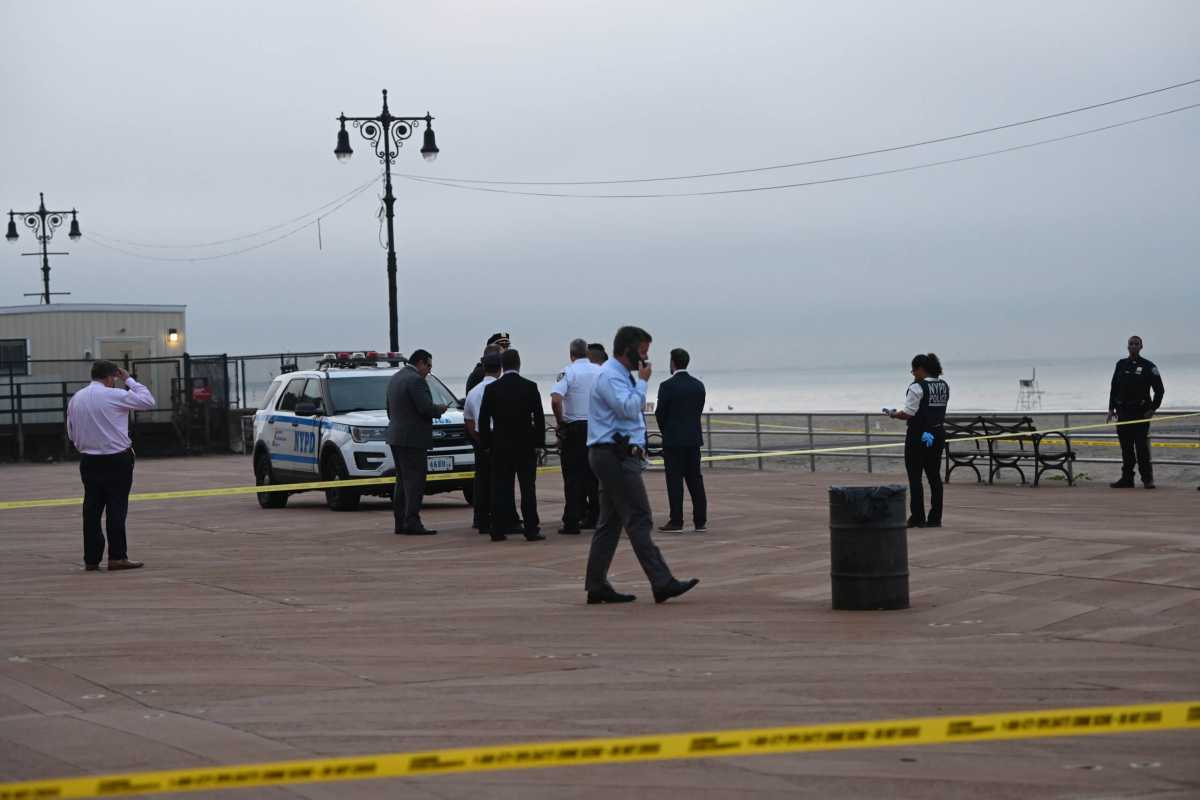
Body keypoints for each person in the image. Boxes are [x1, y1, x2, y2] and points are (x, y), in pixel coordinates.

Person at [585, 325, 699, 605]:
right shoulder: (611, 376)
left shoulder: (619, 375)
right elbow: (627, 408)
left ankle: (596, 584)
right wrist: (644, 382)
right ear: (628, 350)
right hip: (615, 455)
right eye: (643, 352)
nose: (646, 360)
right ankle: (661, 581)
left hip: (615, 454)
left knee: (610, 522)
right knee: (639, 517)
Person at [66, 360, 157, 571]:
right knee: (116, 508)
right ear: (111, 377)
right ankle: (117, 557)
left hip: (89, 459)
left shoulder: (76, 398)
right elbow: (148, 401)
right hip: (117, 459)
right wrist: (129, 379)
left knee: (91, 510)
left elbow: (71, 432)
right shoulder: (114, 395)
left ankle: (91, 558)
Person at [479, 349, 545, 542]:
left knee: (500, 488)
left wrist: (487, 444)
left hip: (500, 445)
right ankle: (531, 528)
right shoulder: (530, 387)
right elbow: (539, 418)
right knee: (527, 489)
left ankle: (498, 529)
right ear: (519, 364)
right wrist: (538, 443)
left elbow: (483, 419)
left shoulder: (492, 389)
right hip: (525, 445)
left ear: (502, 365)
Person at [386, 349, 448, 535]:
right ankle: (412, 521)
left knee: (402, 481)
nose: (429, 370)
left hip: (396, 437)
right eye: (428, 366)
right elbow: (426, 408)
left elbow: (389, 409)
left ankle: (400, 521)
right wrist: (440, 409)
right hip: (413, 440)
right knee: (414, 482)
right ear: (420, 363)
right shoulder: (416, 380)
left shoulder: (396, 378)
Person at [886, 353, 949, 529]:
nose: (913, 374)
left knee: (915, 477)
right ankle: (935, 518)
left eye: (914, 370)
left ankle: (917, 517)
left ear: (921, 369)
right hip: (936, 434)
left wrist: (894, 414)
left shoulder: (917, 387)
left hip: (918, 435)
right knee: (934, 476)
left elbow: (909, 413)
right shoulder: (943, 386)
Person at [551, 338, 601, 534]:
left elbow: (556, 400)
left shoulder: (568, 372)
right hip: (597, 428)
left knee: (572, 477)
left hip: (575, 429)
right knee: (595, 476)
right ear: (587, 353)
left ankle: (572, 521)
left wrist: (561, 421)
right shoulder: (599, 371)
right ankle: (596, 517)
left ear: (571, 354)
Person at [655, 348, 708, 533]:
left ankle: (676, 520)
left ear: (673, 363)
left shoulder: (666, 386)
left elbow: (660, 413)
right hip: (693, 439)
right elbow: (698, 411)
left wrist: (667, 431)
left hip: (673, 441)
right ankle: (700, 520)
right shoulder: (698, 385)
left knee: (674, 481)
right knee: (695, 480)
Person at [1107, 335, 1164, 489]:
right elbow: (1114, 387)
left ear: (1141, 347)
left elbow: (1159, 390)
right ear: (1127, 346)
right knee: (1126, 448)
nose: (1133, 346)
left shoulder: (1148, 366)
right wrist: (1111, 408)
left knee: (1141, 448)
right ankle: (1127, 479)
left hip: (1140, 414)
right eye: (1131, 344)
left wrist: (1153, 408)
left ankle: (1147, 479)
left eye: (1136, 344)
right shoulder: (1121, 364)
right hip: (1123, 413)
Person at [463, 352, 502, 534]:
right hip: (501, 438)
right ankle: (500, 517)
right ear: (500, 369)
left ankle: (480, 518)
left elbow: (469, 421)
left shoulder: (473, 392)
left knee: (481, 480)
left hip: (480, 438)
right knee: (501, 480)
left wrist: (480, 441)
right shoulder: (502, 387)